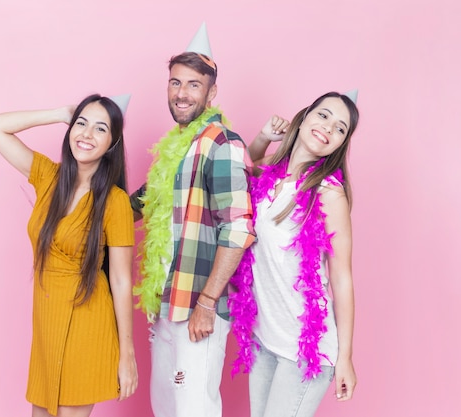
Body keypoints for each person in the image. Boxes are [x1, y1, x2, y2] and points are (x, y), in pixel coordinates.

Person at [0, 94, 138, 417]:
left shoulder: (115, 201)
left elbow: (122, 280)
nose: (86, 134)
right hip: (47, 322)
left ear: (112, 144)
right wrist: (57, 113)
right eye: (81, 124)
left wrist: (127, 354)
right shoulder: (48, 177)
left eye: (100, 129)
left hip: (87, 322)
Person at [130, 24, 256, 417]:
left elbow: (238, 228)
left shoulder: (222, 143)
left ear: (211, 92)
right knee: (167, 407)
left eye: (193, 85)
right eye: (174, 83)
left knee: (192, 407)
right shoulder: (175, 147)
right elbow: (139, 203)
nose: (181, 93)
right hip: (167, 302)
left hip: (196, 309)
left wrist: (206, 302)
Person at [229, 91, 359, 417]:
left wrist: (345, 357)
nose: (329, 128)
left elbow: (341, 277)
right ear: (304, 117)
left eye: (341, 128)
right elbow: (237, 169)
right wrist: (262, 138)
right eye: (324, 115)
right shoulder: (269, 178)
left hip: (304, 351)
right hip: (264, 337)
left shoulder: (328, 193)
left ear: (340, 144)